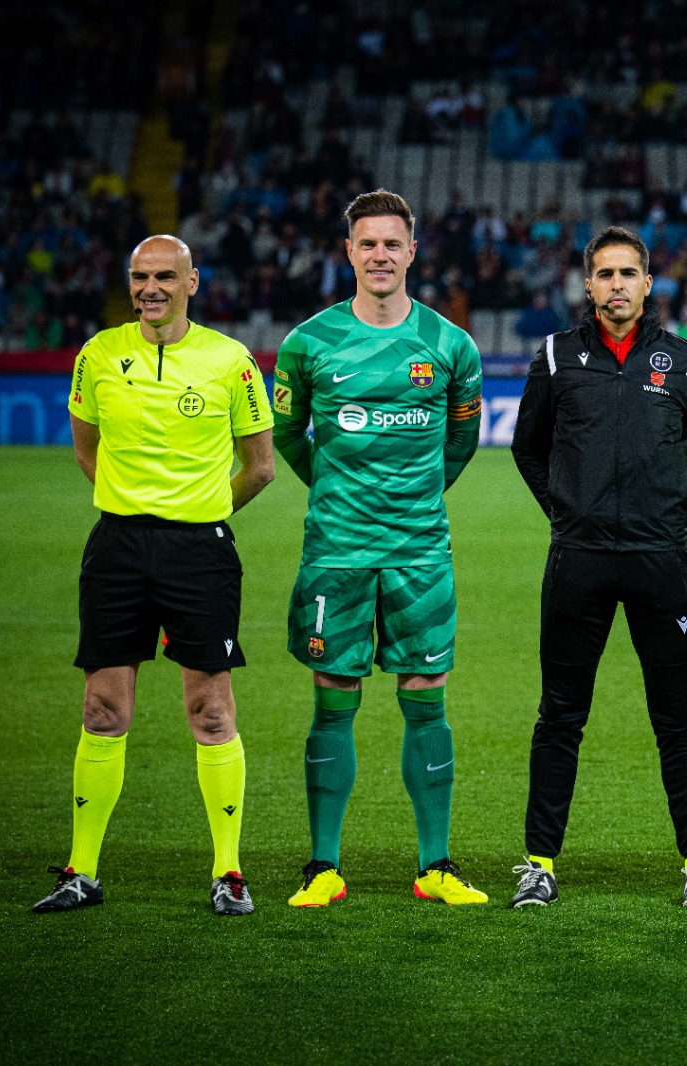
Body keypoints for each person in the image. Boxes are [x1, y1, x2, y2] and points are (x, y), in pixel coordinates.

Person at [35, 235, 275, 916]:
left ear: (192, 281)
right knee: (101, 710)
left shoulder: (232, 361)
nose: (151, 288)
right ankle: (82, 870)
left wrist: (197, 514)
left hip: (200, 551)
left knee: (211, 709)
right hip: (115, 546)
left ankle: (227, 873)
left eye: (165, 277)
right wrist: (135, 505)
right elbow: (88, 449)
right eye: (140, 277)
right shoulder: (99, 355)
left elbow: (260, 467)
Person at [273, 190, 488, 908]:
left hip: (420, 551)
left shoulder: (451, 346)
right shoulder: (308, 344)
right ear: (349, 252)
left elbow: (459, 444)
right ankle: (322, 868)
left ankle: (436, 867)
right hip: (337, 550)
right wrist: (335, 490)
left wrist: (414, 498)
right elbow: (284, 437)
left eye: (393, 243)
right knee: (333, 699)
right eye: (367, 244)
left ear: (413, 251)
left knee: (426, 698)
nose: (380, 255)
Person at [509, 227, 687, 908]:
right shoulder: (555, 357)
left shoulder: (686, 361)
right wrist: (567, 515)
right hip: (577, 562)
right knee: (559, 716)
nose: (615, 285)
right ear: (587, 285)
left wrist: (670, 521)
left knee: (677, 718)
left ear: (647, 284)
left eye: (627, 274)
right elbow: (527, 449)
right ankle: (540, 863)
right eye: (603, 274)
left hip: (659, 563)